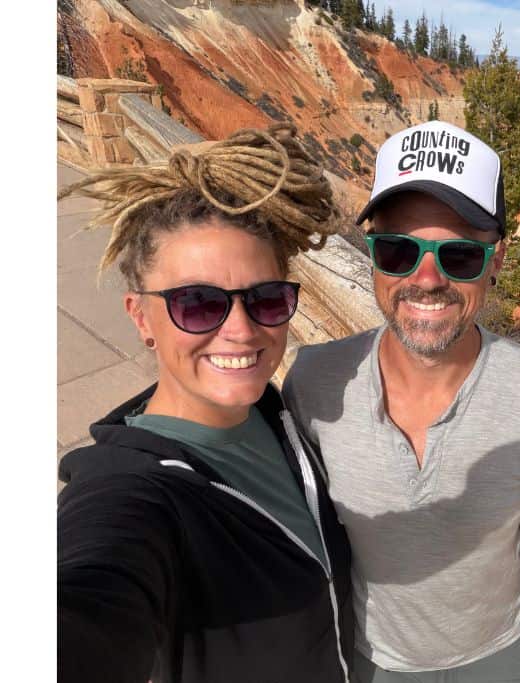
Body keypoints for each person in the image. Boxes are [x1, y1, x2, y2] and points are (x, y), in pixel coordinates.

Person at [284, 120, 520, 683]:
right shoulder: (314, 383)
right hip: (368, 660)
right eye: (399, 250)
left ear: (496, 261)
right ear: (371, 253)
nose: (426, 279)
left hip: (502, 657)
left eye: (461, 257)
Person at [57, 124, 354, 683]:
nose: (241, 331)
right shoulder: (131, 492)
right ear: (141, 317)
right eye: (197, 304)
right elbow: (93, 601)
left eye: (265, 299)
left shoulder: (275, 414)